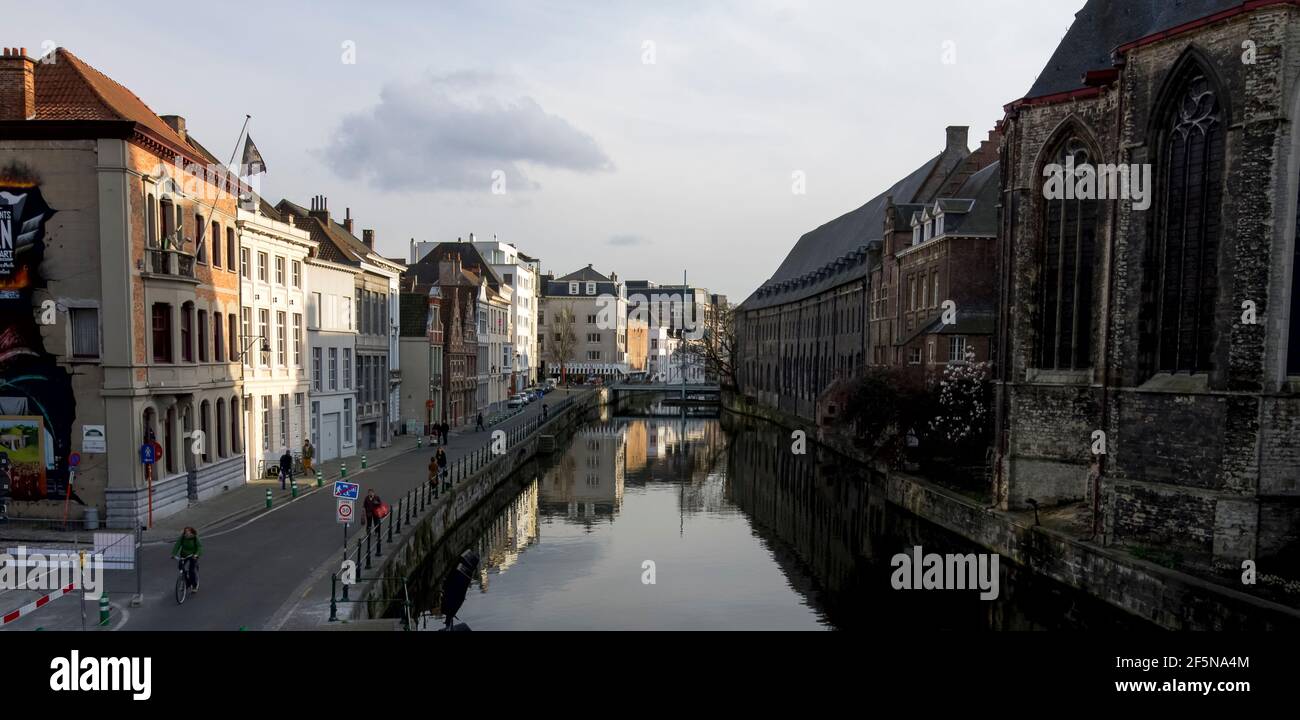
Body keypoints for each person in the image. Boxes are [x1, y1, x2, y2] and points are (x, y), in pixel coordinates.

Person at [171, 526, 202, 593]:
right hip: (184, 555)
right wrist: (173, 554)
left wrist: (196, 554)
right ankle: (187, 582)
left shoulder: (195, 538)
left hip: (192, 555)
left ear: (191, 532)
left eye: (188, 532)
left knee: (191, 570)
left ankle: (194, 586)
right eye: (185, 532)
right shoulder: (182, 538)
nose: (186, 533)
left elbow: (199, 547)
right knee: (180, 567)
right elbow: (177, 545)